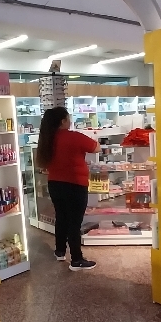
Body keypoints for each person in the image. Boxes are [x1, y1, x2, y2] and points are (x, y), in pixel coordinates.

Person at [35, 107, 100, 271]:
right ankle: (76, 260)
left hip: (55, 184)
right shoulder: (74, 136)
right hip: (75, 184)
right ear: (63, 121)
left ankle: (60, 251)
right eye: (69, 118)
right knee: (74, 222)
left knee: (61, 217)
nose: (70, 121)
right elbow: (96, 148)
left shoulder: (47, 139)